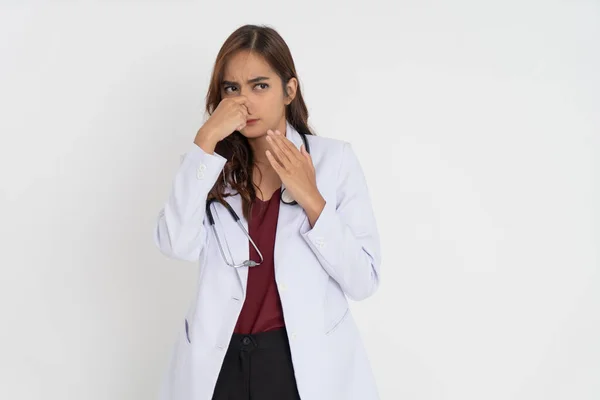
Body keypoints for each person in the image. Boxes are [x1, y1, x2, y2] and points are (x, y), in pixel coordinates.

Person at [153, 24, 382, 400]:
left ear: (289, 90)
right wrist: (205, 141)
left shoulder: (334, 161)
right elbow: (176, 244)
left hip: (298, 362)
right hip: (219, 360)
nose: (245, 102)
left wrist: (312, 198)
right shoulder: (207, 167)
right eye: (232, 89)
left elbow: (363, 280)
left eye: (260, 86)